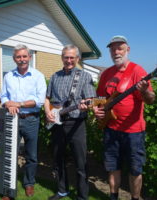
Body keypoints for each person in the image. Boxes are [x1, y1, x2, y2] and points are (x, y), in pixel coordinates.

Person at [93, 35, 155, 200]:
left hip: (133, 132)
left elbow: (150, 100)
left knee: (135, 169)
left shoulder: (137, 70)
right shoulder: (106, 73)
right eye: (112, 49)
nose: (116, 52)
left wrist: (144, 91)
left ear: (128, 49)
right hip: (110, 128)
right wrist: (96, 110)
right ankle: (113, 197)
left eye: (119, 48)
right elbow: (99, 97)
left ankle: (135, 198)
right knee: (113, 167)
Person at [44, 44, 96, 200]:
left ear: (77, 58)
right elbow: (47, 98)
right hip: (57, 124)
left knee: (81, 163)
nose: (69, 60)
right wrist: (47, 112)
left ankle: (82, 196)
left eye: (72, 57)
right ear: (62, 57)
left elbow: (91, 101)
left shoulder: (85, 76)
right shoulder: (54, 76)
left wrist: (85, 106)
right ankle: (62, 190)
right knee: (58, 158)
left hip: (76, 124)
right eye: (66, 57)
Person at [0, 44, 46, 200]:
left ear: (30, 57)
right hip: (12, 119)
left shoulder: (38, 76)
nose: (22, 59)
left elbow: (39, 101)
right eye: (18, 57)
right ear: (14, 59)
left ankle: (29, 183)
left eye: (24, 56)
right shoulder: (8, 76)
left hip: (31, 119)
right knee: (10, 153)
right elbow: (3, 96)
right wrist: (7, 103)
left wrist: (18, 104)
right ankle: (8, 188)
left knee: (31, 155)